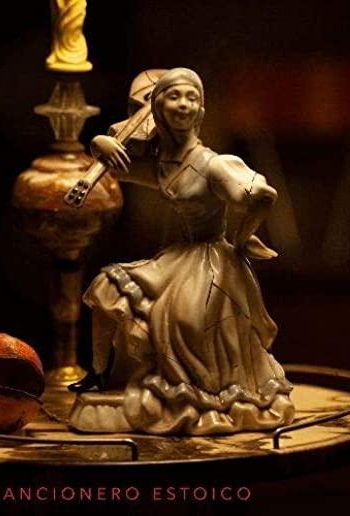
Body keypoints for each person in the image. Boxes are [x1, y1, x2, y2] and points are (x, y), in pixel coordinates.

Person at [69, 68, 294, 435]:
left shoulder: (212, 164)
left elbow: (262, 196)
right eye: (174, 96)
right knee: (105, 286)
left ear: (200, 111)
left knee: (183, 319)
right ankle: (97, 373)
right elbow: (119, 171)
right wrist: (99, 144)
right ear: (158, 108)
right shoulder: (164, 164)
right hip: (179, 256)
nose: (183, 104)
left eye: (192, 97)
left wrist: (243, 236)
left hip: (211, 262)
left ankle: (199, 395)